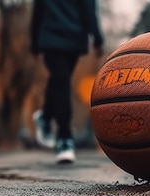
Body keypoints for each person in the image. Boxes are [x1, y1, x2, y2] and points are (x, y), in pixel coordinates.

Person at [30, 0, 104, 164]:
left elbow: (88, 10)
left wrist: (97, 38)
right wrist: (35, 44)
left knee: (59, 81)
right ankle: (64, 139)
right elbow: (38, 10)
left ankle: (46, 116)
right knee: (62, 81)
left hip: (74, 38)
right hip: (50, 37)